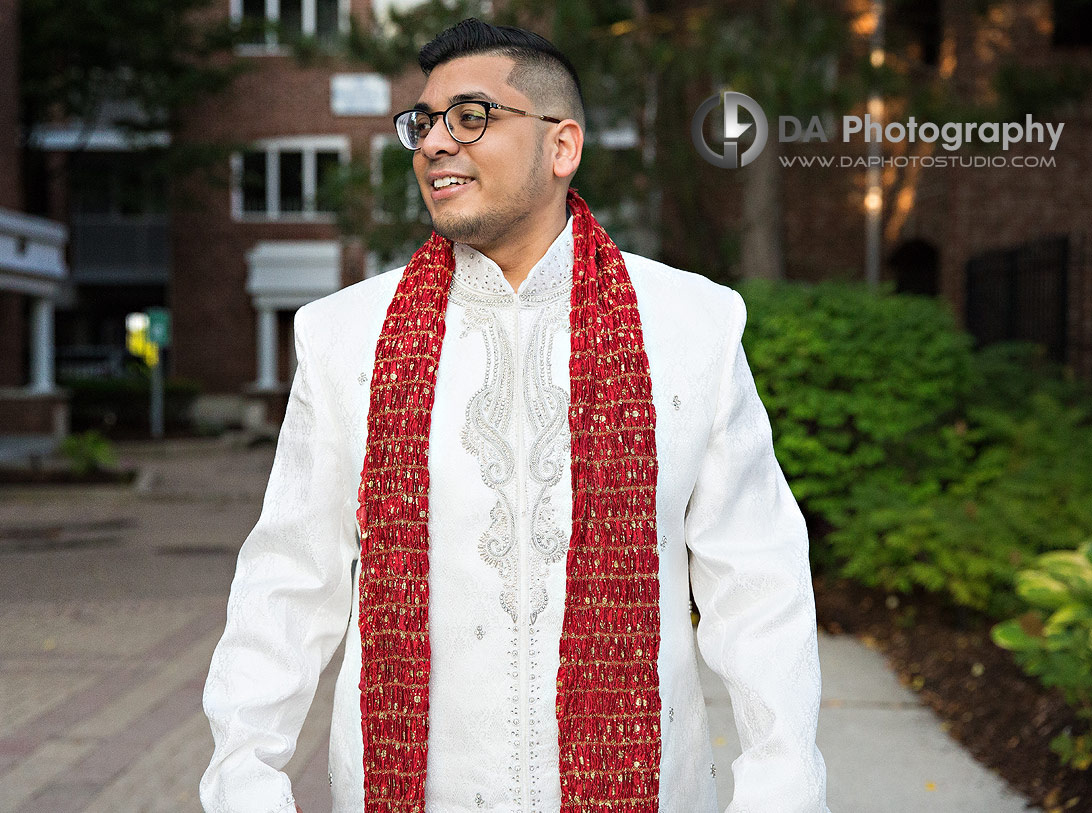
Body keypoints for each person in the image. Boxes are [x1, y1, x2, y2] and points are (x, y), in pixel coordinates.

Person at [200, 17, 831, 813]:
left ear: (561, 146)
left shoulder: (692, 325)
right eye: (422, 122)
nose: (435, 142)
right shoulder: (344, 338)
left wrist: (781, 791)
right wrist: (245, 788)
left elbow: (758, 583)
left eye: (471, 117)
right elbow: (288, 584)